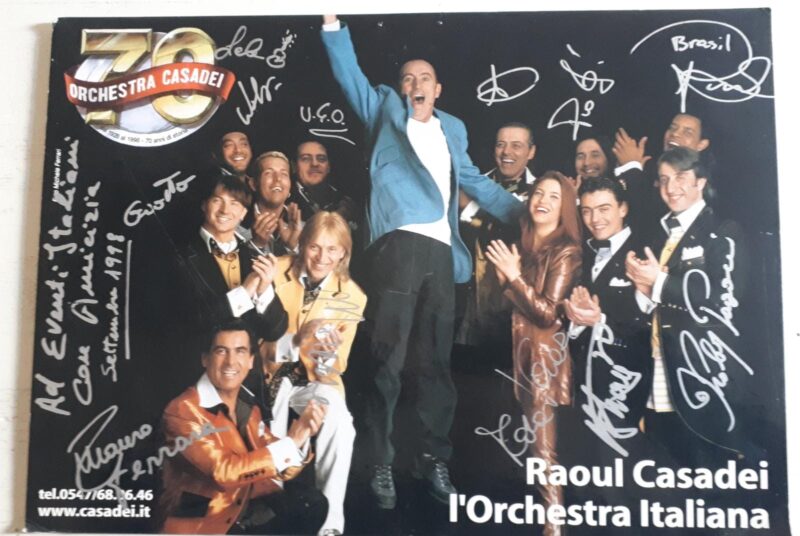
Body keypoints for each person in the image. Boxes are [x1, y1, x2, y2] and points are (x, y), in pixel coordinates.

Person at [320, 15, 524, 508]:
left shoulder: (453, 128)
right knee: (387, 361)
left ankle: (433, 459)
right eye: (408, 78)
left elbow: (473, 180)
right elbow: (349, 75)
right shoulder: (384, 110)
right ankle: (380, 462)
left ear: (438, 89)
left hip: (441, 254)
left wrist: (530, 216)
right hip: (399, 247)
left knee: (436, 366)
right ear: (401, 89)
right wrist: (331, 22)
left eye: (425, 78)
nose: (416, 84)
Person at [624, 147, 751, 464]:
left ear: (700, 182)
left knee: (705, 466)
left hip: (702, 373)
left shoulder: (723, 232)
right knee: (666, 462)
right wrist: (643, 288)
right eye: (664, 179)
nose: (671, 187)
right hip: (659, 367)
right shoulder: (659, 235)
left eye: (680, 177)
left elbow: (723, 303)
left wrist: (660, 282)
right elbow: (653, 305)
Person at [159, 319, 328, 534]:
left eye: (240, 351)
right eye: (221, 351)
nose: (231, 362)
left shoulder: (246, 403)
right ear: (205, 359)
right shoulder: (182, 410)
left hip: (246, 506)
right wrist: (291, 441)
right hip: (208, 521)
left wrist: (301, 439)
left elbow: (273, 455)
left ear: (250, 361)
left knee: (312, 503)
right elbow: (223, 472)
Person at [485, 171, 581, 536]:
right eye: (538, 193)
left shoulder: (567, 251)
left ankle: (554, 528)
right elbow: (501, 309)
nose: (542, 200)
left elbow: (546, 314)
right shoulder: (521, 248)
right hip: (512, 361)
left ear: (565, 207)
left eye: (554, 197)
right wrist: (504, 280)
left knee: (544, 453)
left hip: (543, 365)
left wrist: (512, 277)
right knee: (515, 450)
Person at [264, 211, 367, 536]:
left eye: (332, 249)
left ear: (343, 253)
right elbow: (256, 345)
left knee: (341, 423)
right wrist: (298, 340)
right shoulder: (275, 271)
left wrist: (326, 356)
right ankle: (268, 510)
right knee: (273, 430)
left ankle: (330, 524)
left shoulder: (353, 296)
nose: (322, 257)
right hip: (268, 372)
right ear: (303, 244)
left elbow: (336, 368)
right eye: (315, 247)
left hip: (314, 380)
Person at [178, 174, 288, 409]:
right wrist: (244, 293)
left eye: (235, 203)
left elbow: (275, 330)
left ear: (243, 213)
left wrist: (264, 290)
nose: (225, 210)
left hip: (248, 385)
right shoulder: (181, 255)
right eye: (217, 200)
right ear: (204, 205)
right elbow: (188, 322)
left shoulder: (254, 257)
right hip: (196, 382)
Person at [563, 177, 652, 461]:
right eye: (587, 211)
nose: (595, 219)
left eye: (604, 209)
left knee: (624, 467)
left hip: (626, 385)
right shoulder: (582, 253)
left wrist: (599, 320)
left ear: (623, 208)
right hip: (585, 385)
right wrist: (576, 321)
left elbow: (646, 328)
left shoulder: (645, 251)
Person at [456, 122, 536, 347]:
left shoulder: (541, 192)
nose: (506, 152)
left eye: (516, 145)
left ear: (531, 152)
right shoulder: (473, 183)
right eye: (501, 144)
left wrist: (469, 209)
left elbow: (518, 229)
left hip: (512, 302)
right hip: (466, 301)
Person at [290, 140, 359, 230]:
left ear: (328, 166)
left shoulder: (345, 201)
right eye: (306, 159)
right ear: (294, 166)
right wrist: (336, 219)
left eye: (321, 159)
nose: (314, 164)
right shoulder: (284, 201)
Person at [249, 151, 303, 256]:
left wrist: (293, 247)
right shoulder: (235, 225)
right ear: (253, 184)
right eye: (268, 173)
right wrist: (256, 245)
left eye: (284, 174)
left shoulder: (306, 228)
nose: (278, 179)